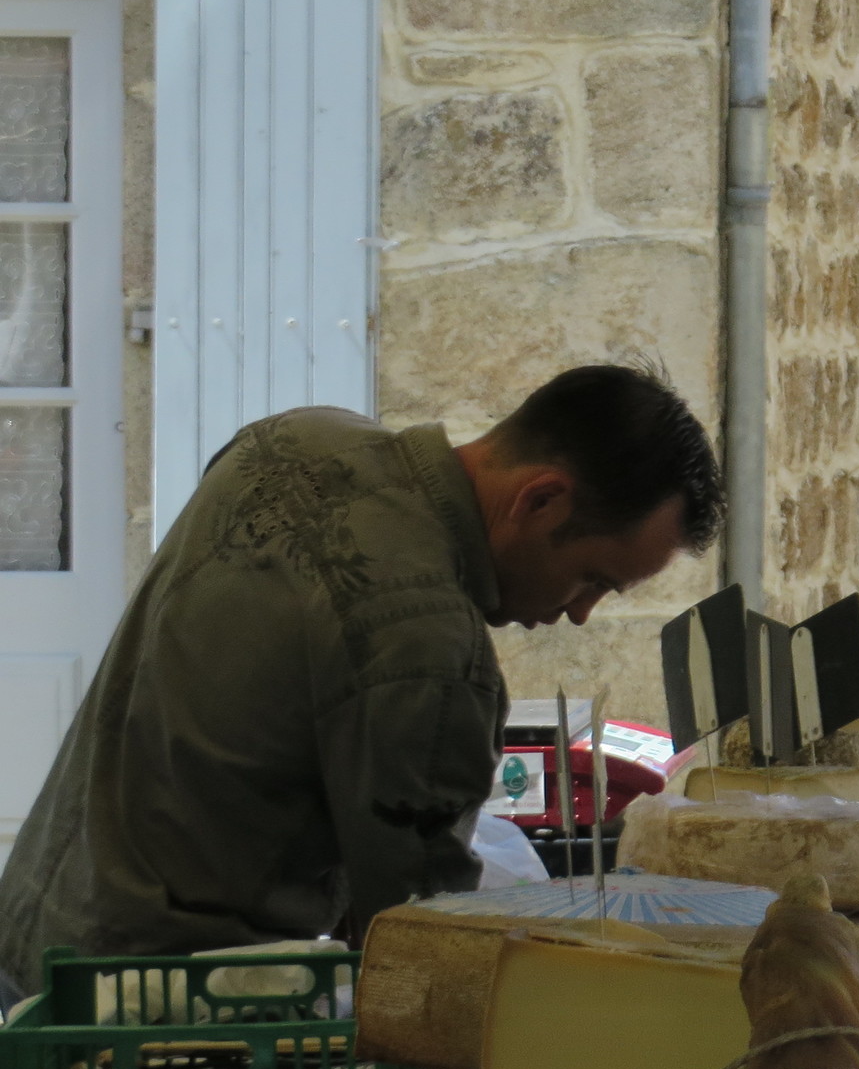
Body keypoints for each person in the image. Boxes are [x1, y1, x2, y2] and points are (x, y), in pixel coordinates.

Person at [0, 363, 722, 992]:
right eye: (592, 578)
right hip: (158, 1018)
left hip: (41, 926)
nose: (581, 614)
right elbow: (421, 953)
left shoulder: (294, 440)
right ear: (539, 499)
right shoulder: (430, 650)